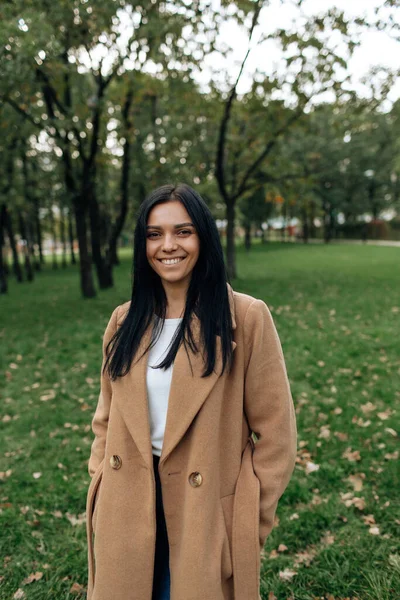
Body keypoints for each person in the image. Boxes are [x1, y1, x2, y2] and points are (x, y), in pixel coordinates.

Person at [85, 183, 297, 600]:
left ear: (204, 236)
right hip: (127, 505)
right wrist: (100, 486)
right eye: (154, 234)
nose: (168, 246)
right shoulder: (123, 321)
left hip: (204, 512)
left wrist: (247, 520)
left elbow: (277, 436)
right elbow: (105, 417)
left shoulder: (246, 318)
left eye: (183, 231)